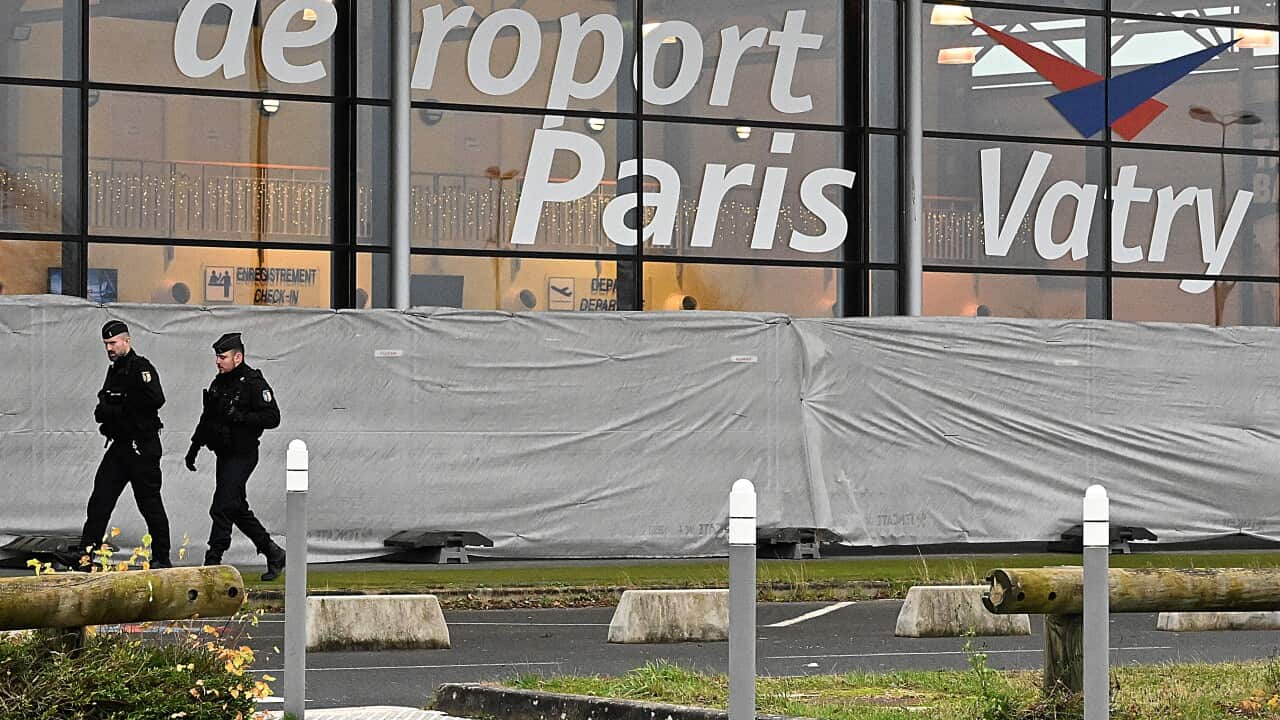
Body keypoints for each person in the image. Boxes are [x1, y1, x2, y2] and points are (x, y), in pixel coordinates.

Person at [185, 332, 286, 581]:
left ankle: (213, 563)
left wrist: (244, 417)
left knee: (221, 506)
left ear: (237, 357)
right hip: (225, 454)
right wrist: (194, 447)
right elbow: (207, 418)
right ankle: (274, 553)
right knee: (236, 508)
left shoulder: (253, 383)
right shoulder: (219, 383)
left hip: (243, 454)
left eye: (223, 357)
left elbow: (273, 417)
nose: (218, 362)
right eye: (217, 357)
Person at [73, 320, 173, 569]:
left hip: (141, 447)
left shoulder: (141, 368)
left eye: (113, 342)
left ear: (126, 341)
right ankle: (87, 555)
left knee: (149, 504)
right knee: (100, 501)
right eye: (106, 344)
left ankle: (162, 557)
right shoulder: (114, 370)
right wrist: (109, 410)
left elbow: (156, 399)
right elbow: (104, 403)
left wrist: (122, 404)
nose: (109, 348)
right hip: (120, 447)